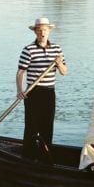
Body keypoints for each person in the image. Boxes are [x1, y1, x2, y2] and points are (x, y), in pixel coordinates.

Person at [16, 17, 67, 160]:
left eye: (44, 30)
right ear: (35, 32)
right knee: (32, 127)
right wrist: (19, 91)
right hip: (33, 92)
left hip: (49, 93)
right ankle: (28, 157)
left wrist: (59, 63)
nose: (42, 33)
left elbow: (64, 72)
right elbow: (20, 72)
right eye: (39, 31)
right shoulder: (28, 50)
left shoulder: (57, 49)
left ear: (49, 31)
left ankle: (45, 157)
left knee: (47, 126)